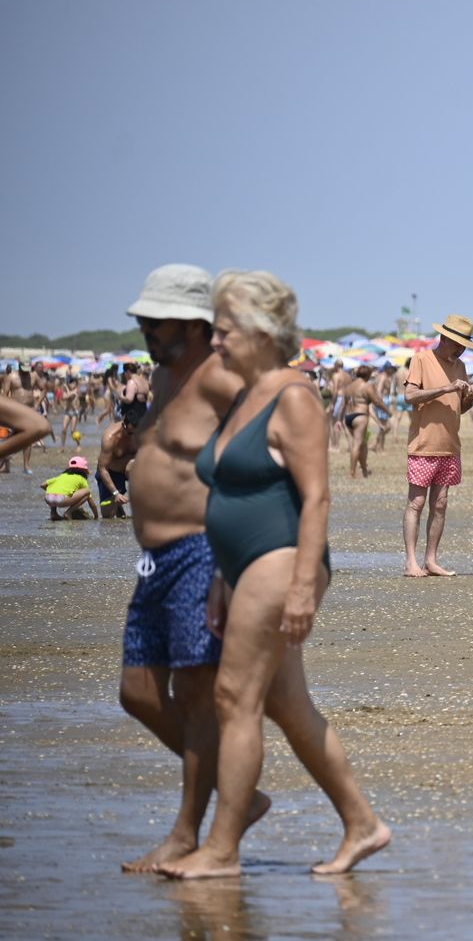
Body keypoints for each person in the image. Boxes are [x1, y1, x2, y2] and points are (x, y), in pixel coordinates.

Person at [157, 269, 388, 879]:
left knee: (234, 697)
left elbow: (317, 498)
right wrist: (220, 577)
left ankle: (222, 850)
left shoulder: (294, 397)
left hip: (283, 560)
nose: (215, 341)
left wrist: (304, 587)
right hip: (242, 568)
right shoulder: (245, 395)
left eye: (225, 330)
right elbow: (229, 493)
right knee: (289, 706)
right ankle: (363, 824)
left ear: (262, 332)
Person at [115, 264, 263, 873]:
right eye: (144, 320)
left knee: (197, 698)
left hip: (205, 550)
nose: (146, 328)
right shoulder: (162, 376)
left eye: (158, 320)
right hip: (155, 561)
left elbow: (265, 452)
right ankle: (239, 793)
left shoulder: (223, 378)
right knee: (138, 693)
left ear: (195, 324)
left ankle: (186, 836)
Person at [403, 314, 473, 578]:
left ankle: (431, 560)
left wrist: (471, 398)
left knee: (440, 504)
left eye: (464, 346)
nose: (460, 350)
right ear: (444, 338)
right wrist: (446, 388)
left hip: (450, 445)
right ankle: (411, 562)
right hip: (423, 444)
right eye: (457, 344)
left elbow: (458, 408)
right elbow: (410, 396)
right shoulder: (421, 359)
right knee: (416, 503)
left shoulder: (460, 366)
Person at [342, 365, 382, 479]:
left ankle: (364, 470)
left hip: (348, 416)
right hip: (360, 416)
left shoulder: (349, 387)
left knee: (361, 445)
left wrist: (340, 419)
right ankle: (353, 472)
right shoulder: (367, 386)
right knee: (358, 445)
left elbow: (345, 404)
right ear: (368, 375)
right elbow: (376, 401)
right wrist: (387, 411)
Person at [42, 455, 99, 520]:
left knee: (54, 491)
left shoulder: (62, 476)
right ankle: (68, 513)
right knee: (87, 492)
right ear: (84, 470)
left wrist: (54, 492)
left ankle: (53, 513)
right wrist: (96, 516)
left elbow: (43, 485)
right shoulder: (81, 478)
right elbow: (90, 500)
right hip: (61, 500)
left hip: (48, 498)